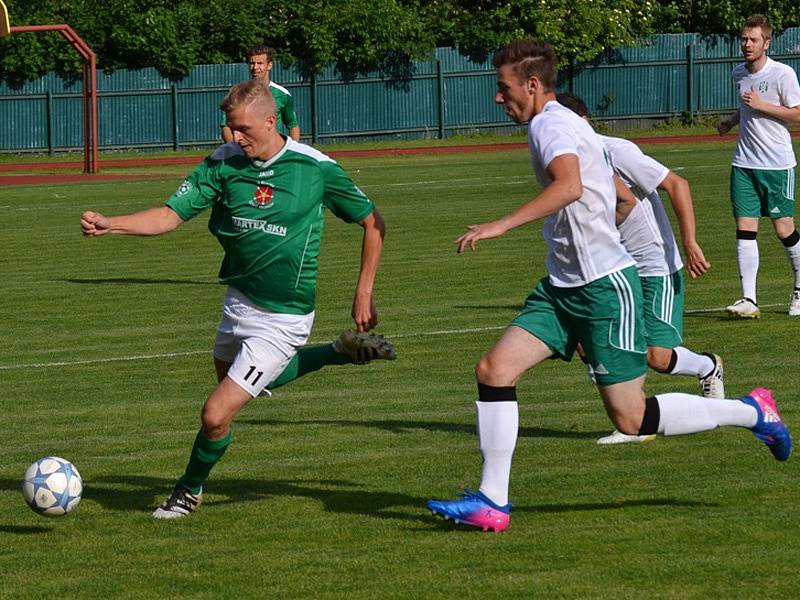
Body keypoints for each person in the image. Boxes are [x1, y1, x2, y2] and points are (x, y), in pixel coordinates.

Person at [426, 40, 792, 533]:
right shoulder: (568, 124)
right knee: (494, 369)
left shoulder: (549, 124)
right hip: (562, 286)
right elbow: (611, 192)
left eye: (503, 87)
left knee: (631, 419)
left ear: (532, 86)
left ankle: (752, 412)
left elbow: (569, 186)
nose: (498, 98)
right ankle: (493, 500)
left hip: (602, 288)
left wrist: (502, 224)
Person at [81, 79, 394, 519]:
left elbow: (373, 222)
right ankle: (337, 353)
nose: (235, 136)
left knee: (215, 412)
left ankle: (187, 491)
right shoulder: (223, 163)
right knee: (239, 389)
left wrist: (363, 293)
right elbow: (169, 216)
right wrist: (111, 224)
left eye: (244, 128)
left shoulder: (315, 168)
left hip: (285, 316)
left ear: (272, 121)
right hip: (238, 301)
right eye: (231, 128)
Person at [557, 92, 724, 446]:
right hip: (618, 269)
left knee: (656, 357)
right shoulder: (573, 160)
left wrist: (691, 243)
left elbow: (677, 184)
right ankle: (632, 422)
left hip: (655, 266)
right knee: (606, 339)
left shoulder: (617, 151)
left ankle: (707, 366)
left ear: (579, 123)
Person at [717, 15, 800, 318]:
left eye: (753, 39)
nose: (747, 44)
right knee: (745, 228)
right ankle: (749, 299)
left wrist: (762, 105)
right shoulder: (738, 72)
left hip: (777, 165)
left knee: (783, 228)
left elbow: (798, 114)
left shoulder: (783, 74)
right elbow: (746, 106)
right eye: (743, 39)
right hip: (743, 163)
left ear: (767, 43)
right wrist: (731, 120)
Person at [221, 45, 301, 142]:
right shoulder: (239, 94)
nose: (255, 67)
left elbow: (292, 125)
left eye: (260, 63)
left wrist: (290, 153)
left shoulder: (282, 95)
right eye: (252, 63)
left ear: (269, 65)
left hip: (272, 152)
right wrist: (234, 150)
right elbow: (226, 126)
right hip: (246, 151)